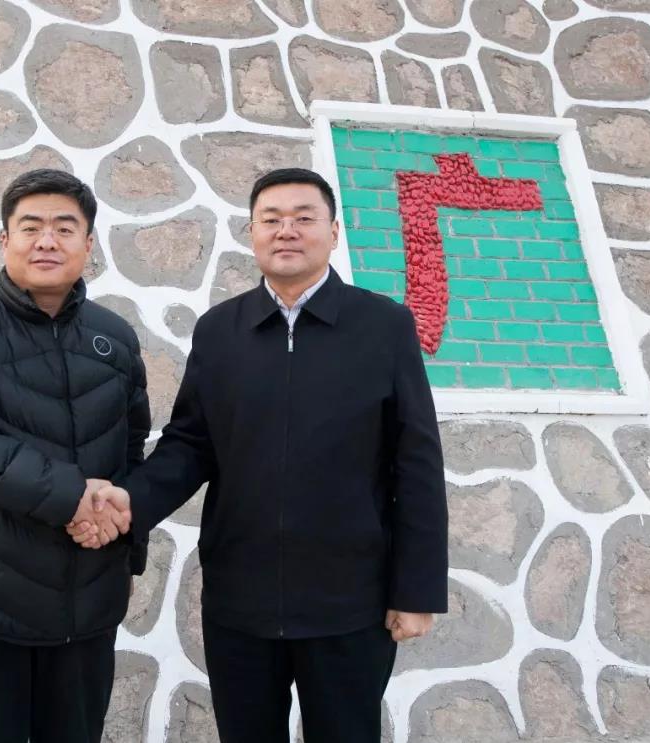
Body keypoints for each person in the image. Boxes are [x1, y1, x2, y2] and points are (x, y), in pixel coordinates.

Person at [72, 167, 448, 743]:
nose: (286, 230)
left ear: (334, 232)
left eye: (303, 218)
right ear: (252, 233)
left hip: (350, 602)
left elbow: (416, 461)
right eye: (271, 219)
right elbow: (191, 444)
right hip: (239, 600)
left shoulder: (383, 326)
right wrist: (129, 502)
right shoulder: (220, 330)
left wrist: (416, 590)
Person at [0, 169, 149, 743]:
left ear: (87, 244)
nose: (47, 241)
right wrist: (72, 498)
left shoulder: (115, 338)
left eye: (65, 228)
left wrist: (117, 525)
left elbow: (130, 450)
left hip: (88, 602)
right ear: (5, 240)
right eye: (31, 227)